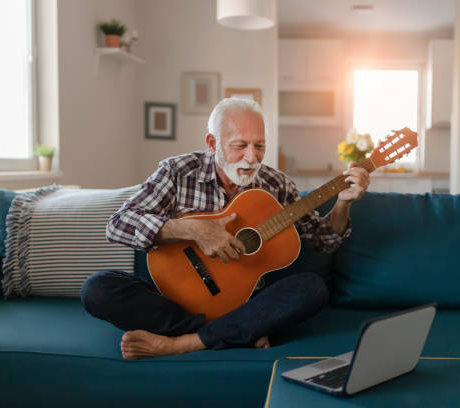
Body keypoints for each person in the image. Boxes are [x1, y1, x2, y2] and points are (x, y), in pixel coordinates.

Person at [81, 98, 370, 360]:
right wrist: (193, 230)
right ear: (212, 143)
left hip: (242, 303)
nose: (252, 157)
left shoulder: (277, 185)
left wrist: (343, 203)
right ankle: (231, 333)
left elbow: (324, 241)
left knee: (312, 289)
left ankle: (182, 343)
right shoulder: (177, 172)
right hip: (169, 301)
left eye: (259, 145)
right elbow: (118, 225)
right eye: (240, 145)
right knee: (97, 288)